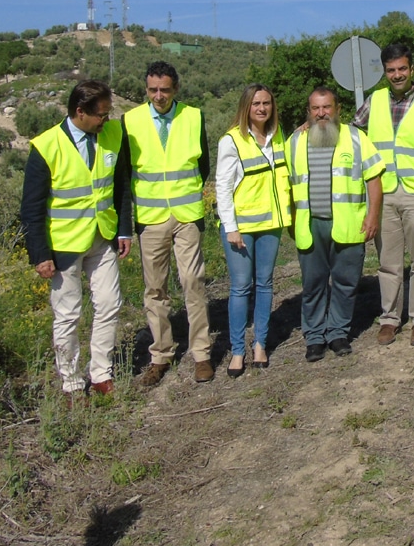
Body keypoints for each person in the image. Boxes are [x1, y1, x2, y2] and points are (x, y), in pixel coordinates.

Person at [21, 79, 131, 401]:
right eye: (101, 115)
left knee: (110, 304)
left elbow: (121, 186)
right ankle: (70, 382)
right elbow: (31, 208)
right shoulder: (46, 146)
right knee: (68, 315)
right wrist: (40, 253)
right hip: (64, 247)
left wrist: (124, 229)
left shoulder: (112, 135)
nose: (106, 121)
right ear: (79, 112)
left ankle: (101, 374)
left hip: (103, 237)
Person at [120, 61, 214, 386]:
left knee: (193, 282)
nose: (159, 96)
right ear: (146, 89)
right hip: (150, 218)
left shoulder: (193, 115)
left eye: (165, 89)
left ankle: (202, 353)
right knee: (155, 290)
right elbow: (125, 172)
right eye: (152, 90)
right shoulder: (129, 121)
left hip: (187, 215)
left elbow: (203, 165)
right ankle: (161, 355)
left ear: (176, 88)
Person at [351, 43, 414, 347]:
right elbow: (352, 135)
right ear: (384, 72)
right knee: (388, 262)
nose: (397, 75)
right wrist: (313, 125)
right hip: (385, 194)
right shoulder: (375, 100)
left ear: (411, 69)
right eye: (391, 70)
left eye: (402, 69)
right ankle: (390, 319)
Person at [286, 87, 385, 361]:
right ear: (309, 111)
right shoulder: (295, 141)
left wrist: (373, 215)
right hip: (310, 225)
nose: (321, 113)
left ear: (337, 109)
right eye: (316, 108)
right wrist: (289, 221)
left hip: (349, 224)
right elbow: (285, 183)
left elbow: (374, 178)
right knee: (313, 283)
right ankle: (315, 336)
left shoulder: (356, 138)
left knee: (345, 282)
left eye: (326, 107)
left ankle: (338, 333)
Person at [215, 84, 291, 376]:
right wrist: (230, 227)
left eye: (267, 103)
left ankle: (260, 343)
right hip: (241, 228)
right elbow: (222, 187)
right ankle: (237, 351)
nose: (262, 108)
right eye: (256, 103)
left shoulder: (278, 135)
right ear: (246, 106)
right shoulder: (231, 141)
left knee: (265, 283)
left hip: (271, 224)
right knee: (240, 287)